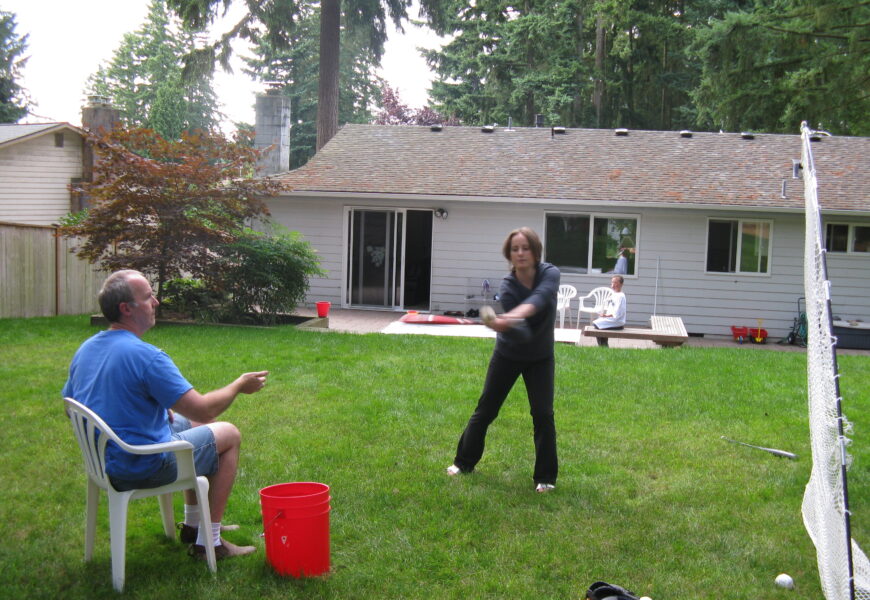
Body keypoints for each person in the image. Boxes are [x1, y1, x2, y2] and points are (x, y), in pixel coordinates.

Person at [62, 269, 269, 560]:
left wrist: (146, 409)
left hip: (107, 459)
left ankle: (193, 525)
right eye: (148, 297)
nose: (156, 302)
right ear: (126, 308)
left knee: (202, 425)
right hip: (143, 464)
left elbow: (70, 406)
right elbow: (204, 406)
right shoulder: (146, 356)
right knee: (229, 434)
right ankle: (209, 543)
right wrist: (238, 385)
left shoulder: (87, 349)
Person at [447, 227, 560, 492]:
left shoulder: (550, 273)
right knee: (486, 409)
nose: (520, 253)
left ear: (535, 251)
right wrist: (505, 324)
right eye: (514, 249)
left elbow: (539, 299)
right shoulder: (508, 286)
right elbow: (523, 332)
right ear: (509, 255)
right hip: (508, 355)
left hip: (541, 357)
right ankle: (464, 462)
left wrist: (507, 319)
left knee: (543, 414)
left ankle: (545, 477)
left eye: (525, 248)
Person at [593, 275, 627, 347]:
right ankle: (603, 345)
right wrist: (603, 314)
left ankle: (603, 346)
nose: (613, 285)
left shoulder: (621, 296)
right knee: (597, 323)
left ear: (621, 284)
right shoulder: (614, 294)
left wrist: (606, 316)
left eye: (615, 283)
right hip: (611, 319)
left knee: (597, 324)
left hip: (617, 321)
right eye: (612, 282)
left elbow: (618, 313)